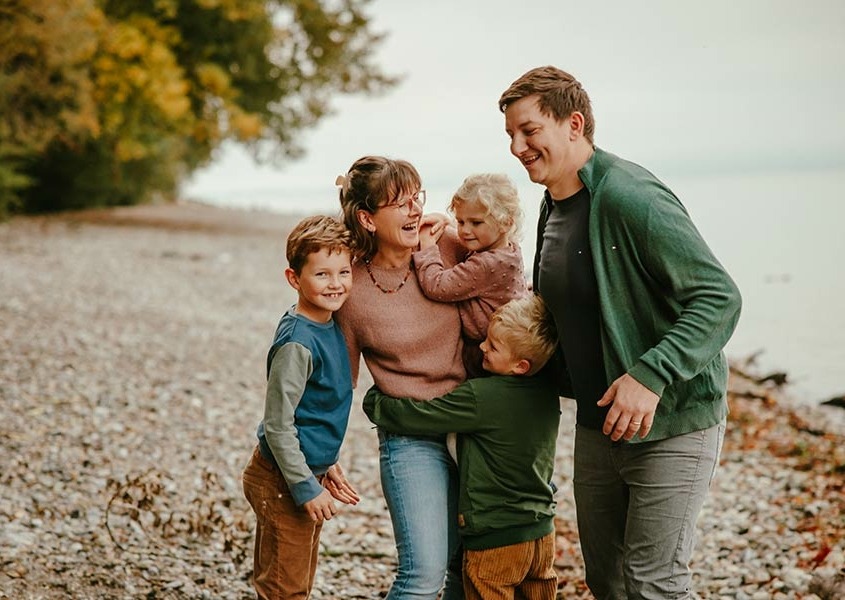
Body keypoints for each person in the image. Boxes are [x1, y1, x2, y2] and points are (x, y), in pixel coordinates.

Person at [498, 66, 742, 599]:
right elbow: (562, 313)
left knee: (653, 584)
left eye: (530, 130)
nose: (517, 146)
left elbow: (719, 298)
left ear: (574, 123)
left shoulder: (633, 197)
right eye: (511, 135)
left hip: (673, 423)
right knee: (607, 583)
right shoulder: (553, 207)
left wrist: (649, 376)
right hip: (597, 426)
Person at [362, 294, 561, 600]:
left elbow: (420, 416)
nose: (483, 347)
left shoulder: (483, 396)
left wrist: (376, 402)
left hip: (495, 539)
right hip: (542, 536)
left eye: (493, 347)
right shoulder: (548, 394)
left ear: (521, 366)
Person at [335, 156, 466, 599]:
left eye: (417, 198)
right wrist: (319, 452)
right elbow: (340, 383)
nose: (414, 210)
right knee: (423, 574)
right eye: (399, 203)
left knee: (470, 568)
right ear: (367, 219)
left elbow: (507, 279)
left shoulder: (446, 246)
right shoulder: (348, 287)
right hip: (409, 440)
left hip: (474, 426)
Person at [241, 214, 361, 600]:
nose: (336, 283)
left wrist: (327, 463)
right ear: (294, 279)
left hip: (305, 470)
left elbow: (312, 409)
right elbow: (278, 425)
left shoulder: (326, 323)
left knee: (297, 579)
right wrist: (306, 487)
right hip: (281, 478)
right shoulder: (298, 343)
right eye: (322, 274)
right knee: (283, 588)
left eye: (343, 271)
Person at [414, 173, 529, 378]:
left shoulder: (487, 264)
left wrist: (428, 247)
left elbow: (437, 286)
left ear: (505, 223)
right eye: (460, 221)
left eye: (475, 223)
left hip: (487, 350)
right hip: (507, 343)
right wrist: (447, 223)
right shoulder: (509, 248)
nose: (465, 230)